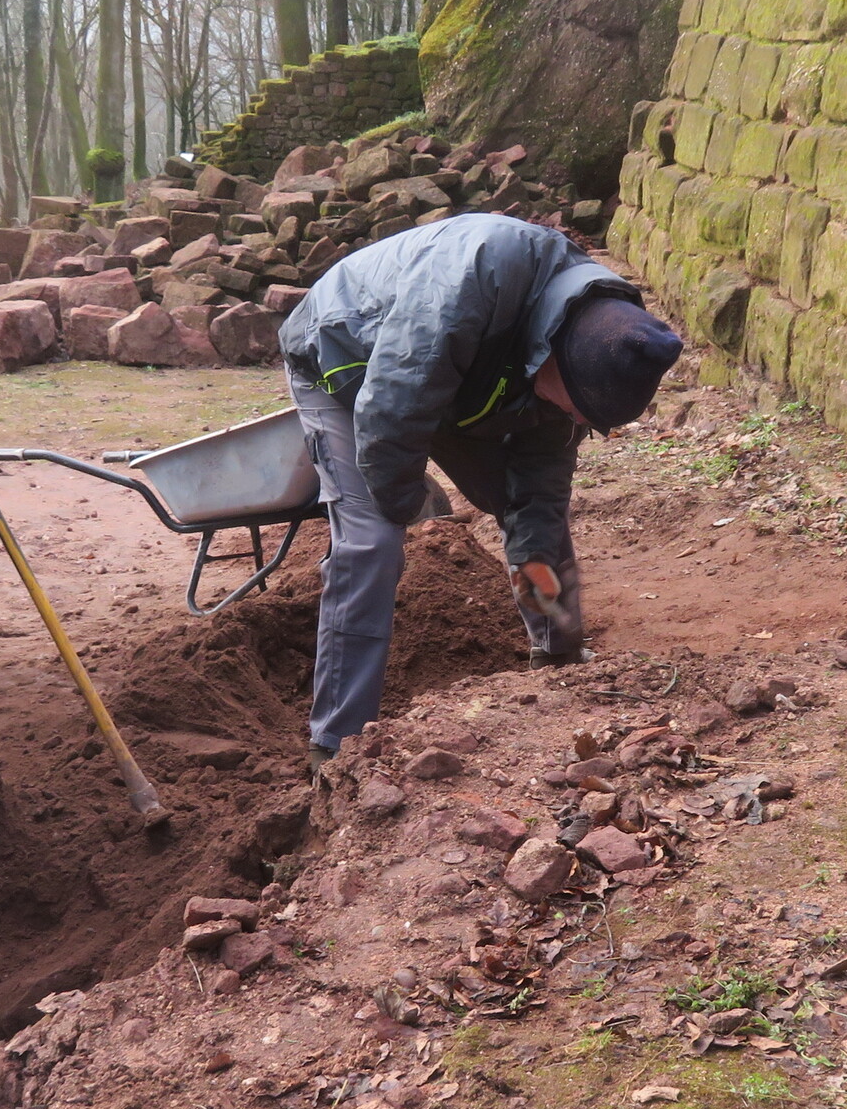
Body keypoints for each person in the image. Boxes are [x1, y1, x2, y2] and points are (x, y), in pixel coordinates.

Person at [281, 211, 683, 764]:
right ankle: (336, 742)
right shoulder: (468, 284)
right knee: (373, 539)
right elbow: (390, 414)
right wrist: (408, 506)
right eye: (576, 409)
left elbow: (536, 503)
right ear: (557, 363)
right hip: (345, 357)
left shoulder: (582, 352)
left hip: (463, 379)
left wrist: (558, 643)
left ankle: (555, 652)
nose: (576, 421)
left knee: (531, 510)